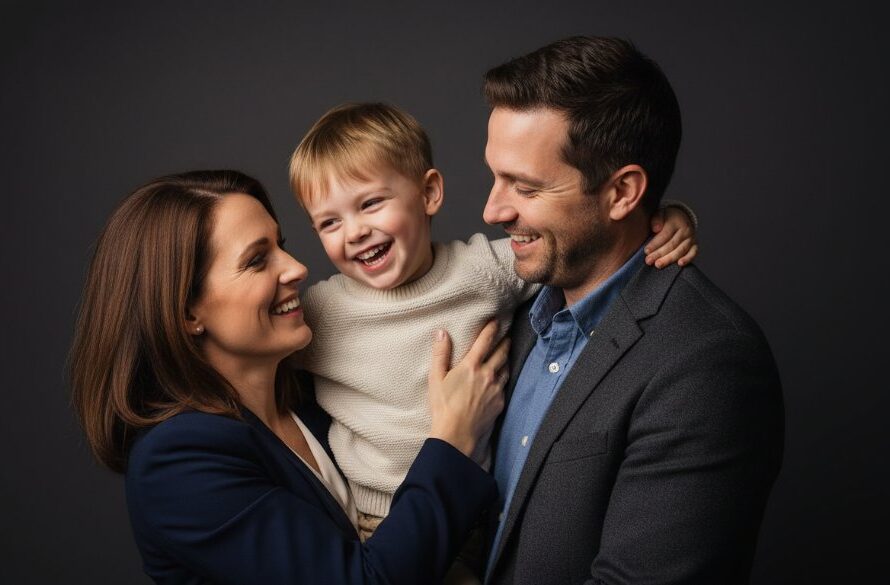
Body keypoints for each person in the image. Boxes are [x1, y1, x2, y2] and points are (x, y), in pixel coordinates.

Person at [68, 170, 510, 585]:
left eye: (281, 245)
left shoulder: (314, 393)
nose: (297, 268)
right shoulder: (175, 466)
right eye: (258, 260)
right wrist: (453, 440)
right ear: (187, 313)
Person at [288, 102, 699, 543]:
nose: (353, 232)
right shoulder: (322, 312)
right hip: (380, 525)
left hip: (481, 518)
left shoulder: (482, 269)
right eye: (329, 223)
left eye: (370, 204)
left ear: (429, 193)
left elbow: (584, 247)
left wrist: (671, 218)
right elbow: (245, 354)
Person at [479, 36, 785, 585]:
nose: (493, 209)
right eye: (495, 176)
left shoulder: (708, 362)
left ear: (622, 192)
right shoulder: (513, 306)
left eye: (524, 186)